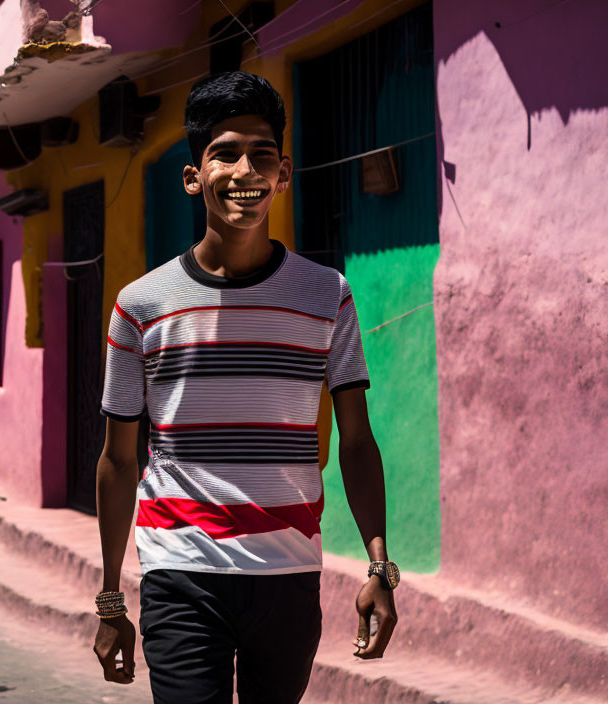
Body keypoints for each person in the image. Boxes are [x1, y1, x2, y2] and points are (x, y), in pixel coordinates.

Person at [93, 71, 398, 703]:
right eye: (225, 153)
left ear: (284, 174)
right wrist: (110, 598)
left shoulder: (328, 296)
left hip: (287, 571)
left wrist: (379, 566)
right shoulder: (140, 306)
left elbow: (358, 444)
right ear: (193, 176)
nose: (245, 170)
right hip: (179, 570)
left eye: (263, 154)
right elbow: (120, 460)